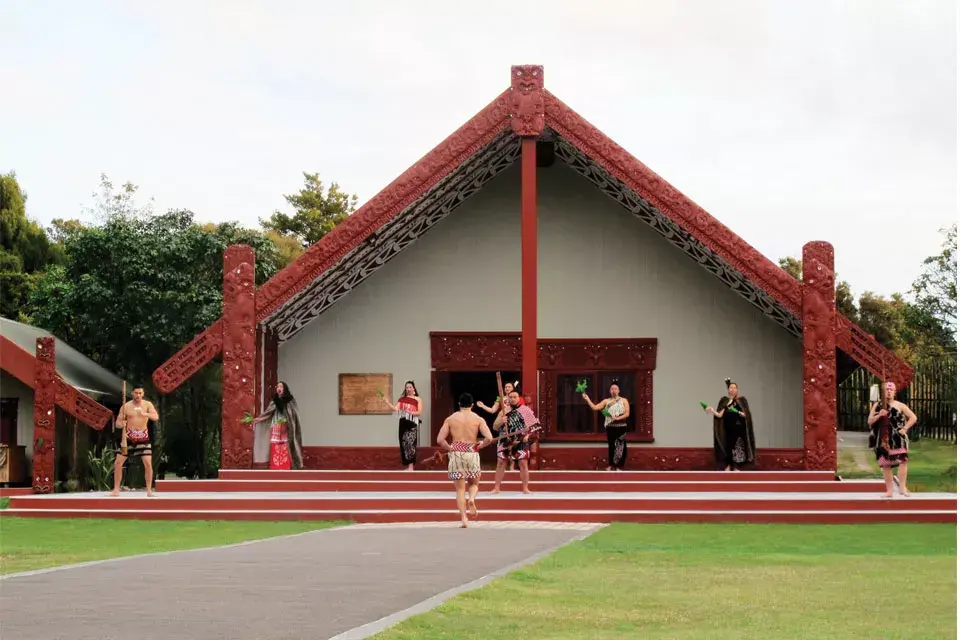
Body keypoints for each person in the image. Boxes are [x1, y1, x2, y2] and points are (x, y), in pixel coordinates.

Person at [436, 393, 495, 527]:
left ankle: (464, 518)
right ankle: (472, 498)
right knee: (474, 484)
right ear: (472, 405)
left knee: (460, 489)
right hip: (471, 452)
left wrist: (450, 448)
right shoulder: (478, 418)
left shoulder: (451, 419)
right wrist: (480, 445)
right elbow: (489, 438)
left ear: (459, 404)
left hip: (456, 452)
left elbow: (440, 440)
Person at [867, 381, 917, 498]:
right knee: (886, 464)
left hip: (898, 438)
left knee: (903, 461)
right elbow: (869, 421)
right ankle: (889, 491)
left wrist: (905, 428)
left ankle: (902, 488)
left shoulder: (900, 405)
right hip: (883, 438)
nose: (888, 392)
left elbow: (913, 417)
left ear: (894, 392)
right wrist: (879, 415)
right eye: (886, 390)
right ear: (883, 392)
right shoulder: (877, 405)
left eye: (891, 390)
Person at [110, 386, 159, 497]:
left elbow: (156, 417)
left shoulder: (147, 404)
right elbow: (117, 423)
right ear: (132, 393)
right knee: (118, 463)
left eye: (140, 393)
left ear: (143, 393)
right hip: (128, 438)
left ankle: (149, 491)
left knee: (147, 464)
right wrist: (121, 424)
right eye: (136, 393)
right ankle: (116, 489)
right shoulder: (126, 406)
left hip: (143, 437)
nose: (138, 395)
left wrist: (145, 414)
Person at [491, 391, 538, 494]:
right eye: (510, 397)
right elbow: (495, 426)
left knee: (523, 462)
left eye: (515, 397)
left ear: (518, 398)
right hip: (505, 440)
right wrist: (502, 421)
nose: (512, 399)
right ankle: (496, 488)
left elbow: (534, 426)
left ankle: (525, 488)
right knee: (501, 463)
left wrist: (527, 435)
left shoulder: (525, 410)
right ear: (507, 399)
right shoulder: (503, 411)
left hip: (521, 439)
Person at [704, 378, 756, 471]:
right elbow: (719, 415)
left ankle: (736, 466)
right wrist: (711, 410)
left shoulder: (742, 401)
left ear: (737, 390)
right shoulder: (725, 401)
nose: (733, 389)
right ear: (728, 389)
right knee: (728, 446)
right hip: (728, 429)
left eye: (735, 388)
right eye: (731, 387)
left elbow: (746, 415)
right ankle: (728, 465)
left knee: (738, 446)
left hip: (739, 428)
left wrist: (741, 413)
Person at [251, 381, 305, 470]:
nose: (279, 388)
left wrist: (287, 420)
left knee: (285, 445)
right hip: (276, 425)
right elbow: (268, 413)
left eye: (281, 387)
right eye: (278, 387)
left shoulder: (290, 400)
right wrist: (258, 419)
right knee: (275, 444)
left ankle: (285, 466)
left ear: (285, 389)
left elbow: (293, 414)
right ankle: (275, 466)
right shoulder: (274, 400)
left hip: (287, 428)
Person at [583, 382, 631, 471]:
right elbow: (595, 407)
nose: (614, 390)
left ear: (619, 390)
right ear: (610, 391)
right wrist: (587, 399)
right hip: (610, 427)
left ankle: (619, 466)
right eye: (612, 389)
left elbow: (627, 413)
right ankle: (611, 465)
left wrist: (617, 418)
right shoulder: (606, 401)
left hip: (621, 426)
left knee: (621, 446)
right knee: (611, 446)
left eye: (615, 389)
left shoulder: (624, 400)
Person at [476, 381, 524, 471]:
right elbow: (492, 410)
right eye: (506, 387)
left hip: (514, 423)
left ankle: (512, 466)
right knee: (504, 444)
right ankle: (502, 465)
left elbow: (521, 410)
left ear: (513, 388)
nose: (507, 388)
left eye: (509, 387)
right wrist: (483, 406)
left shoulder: (518, 397)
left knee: (513, 445)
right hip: (503, 422)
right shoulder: (500, 398)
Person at [381, 380, 423, 471]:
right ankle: (408, 466)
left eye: (410, 387)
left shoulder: (418, 399)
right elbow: (396, 409)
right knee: (404, 443)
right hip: (403, 422)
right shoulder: (402, 399)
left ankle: (411, 466)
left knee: (411, 443)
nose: (408, 389)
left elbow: (419, 412)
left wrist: (410, 412)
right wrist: (387, 402)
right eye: (407, 387)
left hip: (412, 422)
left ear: (413, 388)